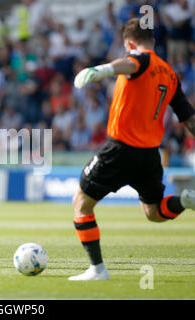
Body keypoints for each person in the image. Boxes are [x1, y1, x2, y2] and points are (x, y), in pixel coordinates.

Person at [70, 18, 195, 281]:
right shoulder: (169, 73)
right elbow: (187, 118)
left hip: (121, 149)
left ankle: (97, 270)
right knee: (155, 212)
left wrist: (100, 70)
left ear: (129, 43)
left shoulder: (140, 59)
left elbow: (130, 64)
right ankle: (184, 200)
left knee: (81, 203)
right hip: (150, 154)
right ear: (154, 40)